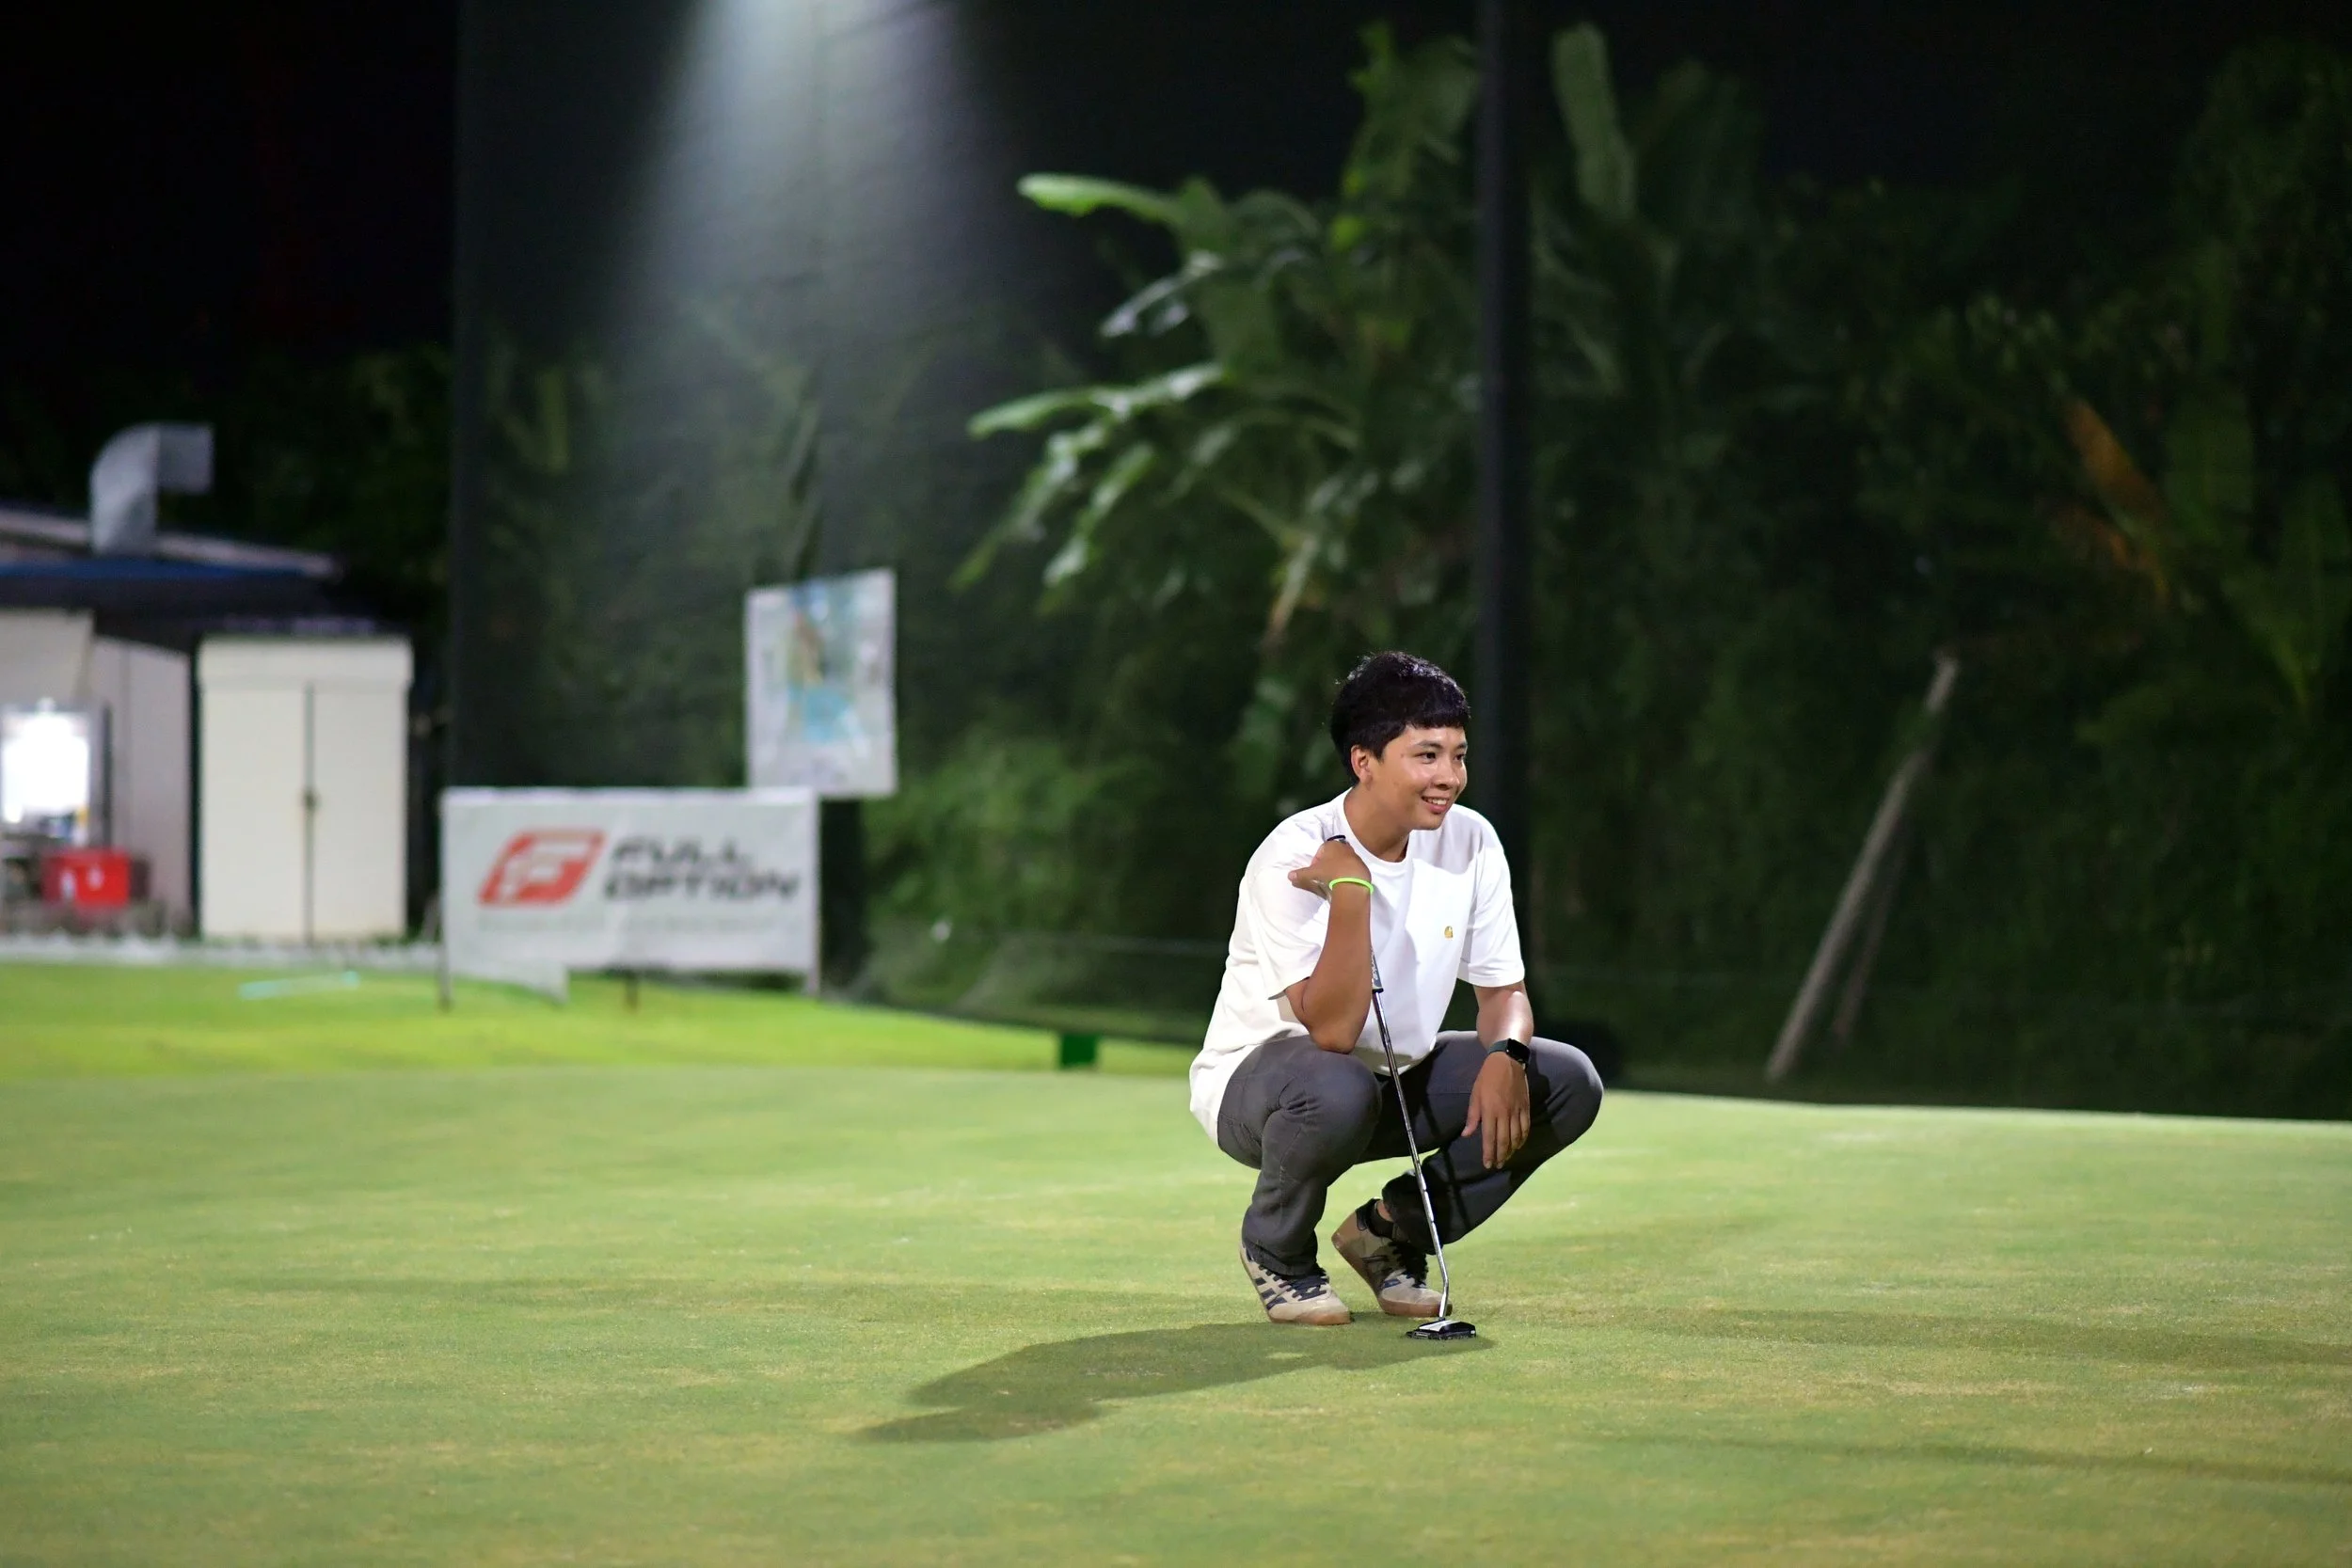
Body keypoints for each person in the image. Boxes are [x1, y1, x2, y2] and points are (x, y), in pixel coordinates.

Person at [1193, 651, 1604, 1325]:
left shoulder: (1470, 841)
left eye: (1457, 755)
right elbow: (1331, 1032)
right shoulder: (1293, 856)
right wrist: (1351, 889)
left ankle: (1390, 1233)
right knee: (1338, 1084)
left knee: (1565, 1082)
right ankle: (1278, 1250)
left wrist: (1509, 1055)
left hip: (1391, 1080)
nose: (1449, 778)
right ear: (1364, 761)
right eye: (1426, 756)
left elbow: (1506, 992)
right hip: (1268, 1091)